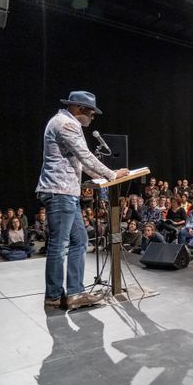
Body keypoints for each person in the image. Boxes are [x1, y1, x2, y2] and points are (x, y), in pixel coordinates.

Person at [36, 91, 129, 310]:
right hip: (60, 192)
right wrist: (112, 175)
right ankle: (54, 296)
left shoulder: (62, 122)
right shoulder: (66, 124)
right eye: (91, 113)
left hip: (66, 193)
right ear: (79, 108)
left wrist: (99, 174)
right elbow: (85, 155)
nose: (93, 118)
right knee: (59, 246)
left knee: (80, 241)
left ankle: (75, 293)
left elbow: (81, 160)